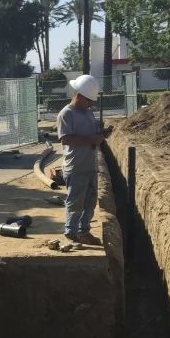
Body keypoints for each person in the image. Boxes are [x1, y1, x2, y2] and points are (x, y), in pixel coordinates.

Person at [57, 74, 112, 245]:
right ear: (79, 96)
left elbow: (92, 133)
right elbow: (66, 139)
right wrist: (91, 140)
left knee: (90, 201)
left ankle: (83, 231)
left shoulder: (88, 113)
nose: (91, 104)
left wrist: (102, 134)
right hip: (76, 166)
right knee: (75, 201)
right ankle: (71, 232)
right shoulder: (66, 114)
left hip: (90, 164)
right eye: (88, 100)